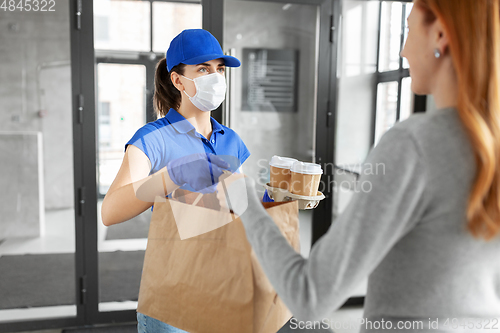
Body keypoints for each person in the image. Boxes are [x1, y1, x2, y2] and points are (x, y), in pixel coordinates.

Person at [218, 1, 500, 332]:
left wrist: (244, 197)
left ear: (440, 35)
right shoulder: (485, 142)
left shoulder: (414, 144)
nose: (404, 51)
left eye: (408, 31)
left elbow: (308, 296)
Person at [100, 29, 250, 332]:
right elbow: (110, 212)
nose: (216, 77)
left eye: (219, 69)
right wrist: (170, 177)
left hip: (224, 286)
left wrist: (282, 198)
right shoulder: (151, 139)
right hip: (172, 293)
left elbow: (242, 208)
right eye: (203, 69)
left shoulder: (231, 139)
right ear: (178, 80)